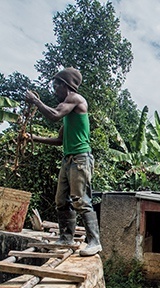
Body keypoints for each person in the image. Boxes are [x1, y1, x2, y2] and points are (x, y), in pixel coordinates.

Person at [24, 67, 102, 256]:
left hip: (81, 158)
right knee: (61, 201)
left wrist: (35, 101)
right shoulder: (68, 112)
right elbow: (59, 140)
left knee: (81, 200)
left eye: (56, 86)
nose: (54, 90)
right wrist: (32, 137)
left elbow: (53, 115)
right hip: (68, 159)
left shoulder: (75, 99)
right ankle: (66, 238)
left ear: (65, 85)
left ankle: (95, 241)